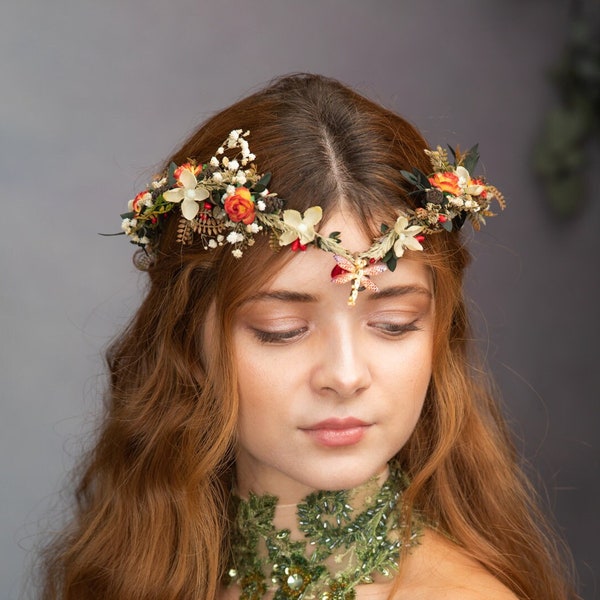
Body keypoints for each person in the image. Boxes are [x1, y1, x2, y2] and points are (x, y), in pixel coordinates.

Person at [39, 73, 577, 599]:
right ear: (188, 339)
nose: (345, 376)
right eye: (283, 330)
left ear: (439, 336)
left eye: (395, 324)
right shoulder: (140, 572)